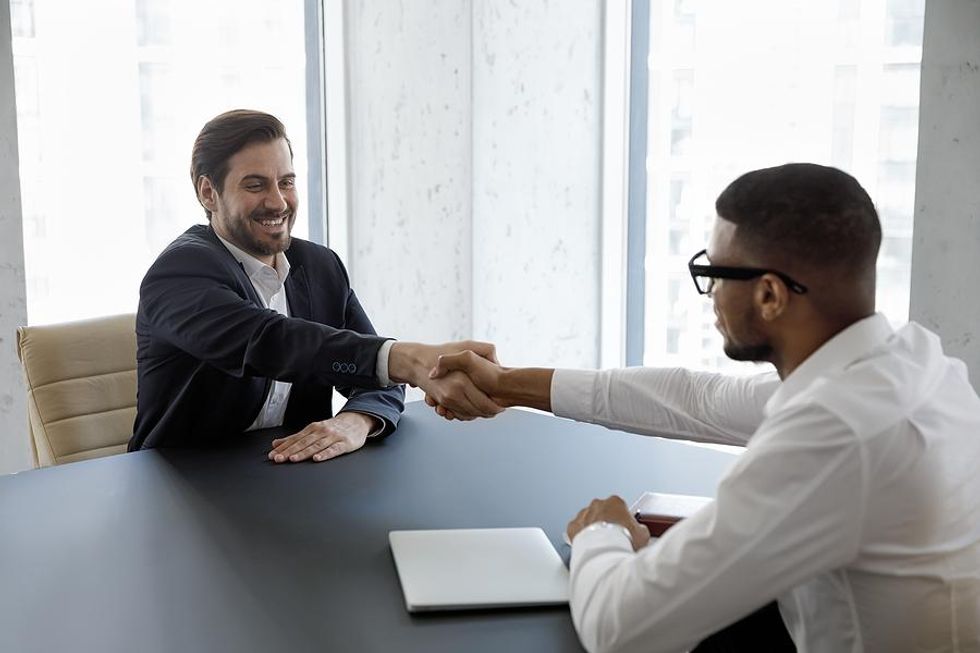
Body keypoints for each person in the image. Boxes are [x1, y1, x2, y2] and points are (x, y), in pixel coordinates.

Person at [426, 163, 980, 652]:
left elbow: (618, 632)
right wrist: (504, 384)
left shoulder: (835, 433)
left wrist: (602, 532)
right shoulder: (909, 364)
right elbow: (697, 398)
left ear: (770, 295)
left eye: (713, 274)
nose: (709, 293)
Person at [131, 109, 502, 461]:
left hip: (288, 476)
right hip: (180, 484)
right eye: (255, 185)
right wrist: (405, 358)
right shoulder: (179, 273)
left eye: (287, 182)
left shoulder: (320, 266)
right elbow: (267, 341)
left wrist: (357, 420)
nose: (278, 202)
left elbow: (379, 378)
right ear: (208, 193)